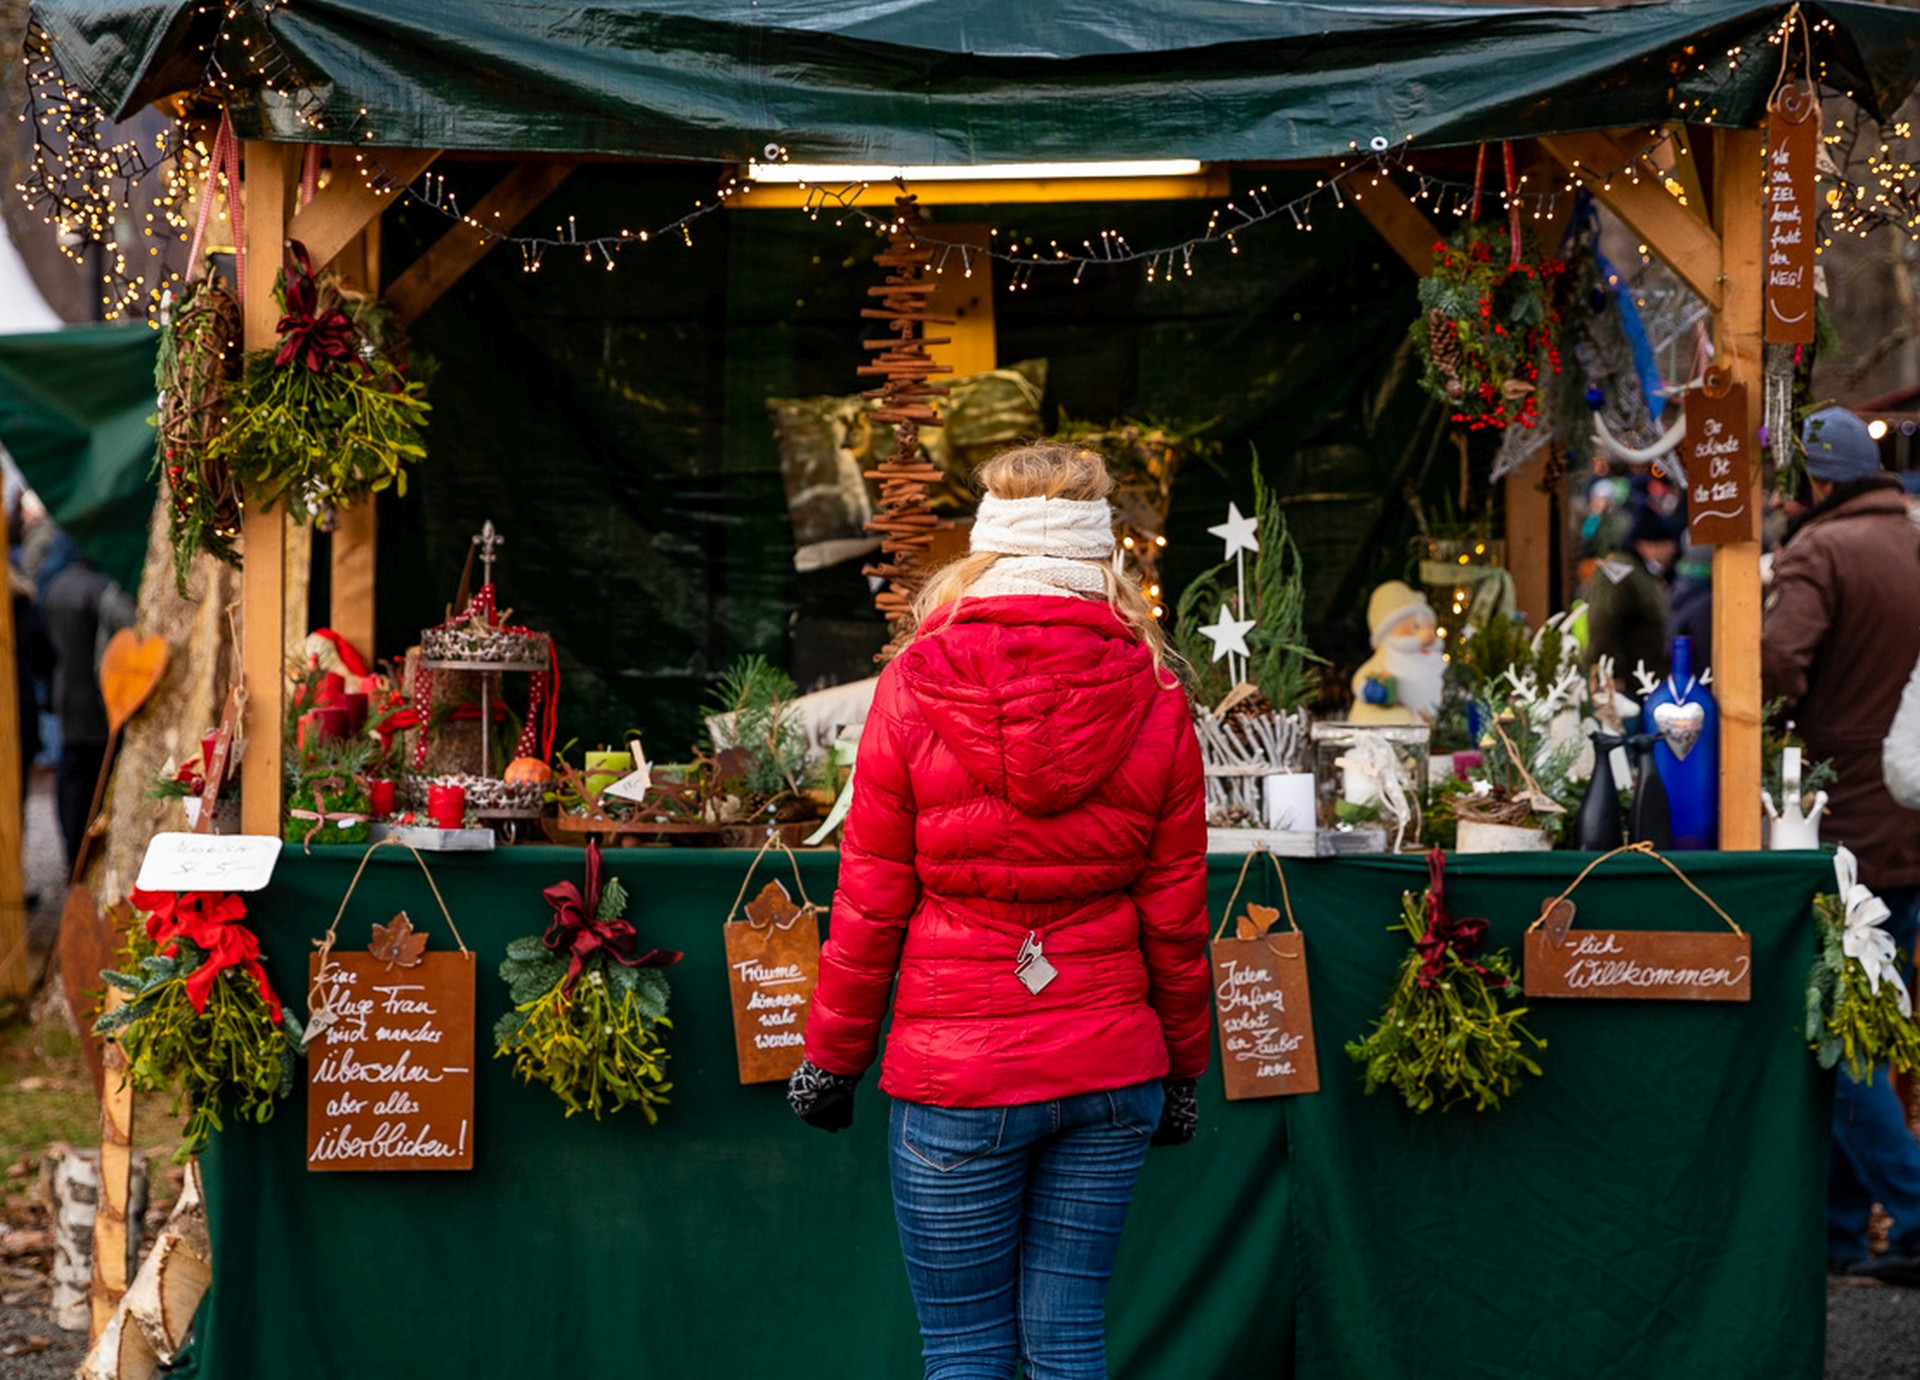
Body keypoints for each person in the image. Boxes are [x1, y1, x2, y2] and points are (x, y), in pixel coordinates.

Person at [787, 442, 1209, 1379]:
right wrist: (1183, 1067)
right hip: (1110, 1067)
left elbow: (870, 898)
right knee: (1067, 1343)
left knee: (966, 1352)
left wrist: (831, 1059)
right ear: (1104, 559)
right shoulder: (1158, 692)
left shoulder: (912, 684)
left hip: (957, 1070)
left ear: (983, 550)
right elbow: (1176, 914)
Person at [1763, 405, 1920, 1285]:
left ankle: (1916, 1206)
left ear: (1816, 480)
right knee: (1868, 1016)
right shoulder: (1913, 539)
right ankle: (1832, 1235)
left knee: (1837, 1025)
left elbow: (1781, 664)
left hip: (1852, 820)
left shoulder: (1819, 552)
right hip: (1913, 807)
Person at [41, 539, 134, 869]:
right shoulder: (102, 591)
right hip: (96, 698)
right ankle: (86, 856)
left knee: (71, 779)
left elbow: (46, 647)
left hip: (66, 693)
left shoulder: (56, 586)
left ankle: (73, 851)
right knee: (95, 779)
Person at [1585, 502, 1677, 684]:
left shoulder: (1642, 572)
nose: (1672, 550)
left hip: (1644, 679)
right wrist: (1610, 675)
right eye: (1667, 543)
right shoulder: (1619, 571)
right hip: (1626, 683)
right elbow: (1603, 624)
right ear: (1647, 544)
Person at [1349, 581, 1444, 724]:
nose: (1426, 632)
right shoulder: (1387, 657)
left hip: (1430, 724)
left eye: (1429, 626)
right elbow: (1362, 679)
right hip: (1388, 723)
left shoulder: (1433, 659)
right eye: (1416, 627)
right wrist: (1374, 690)